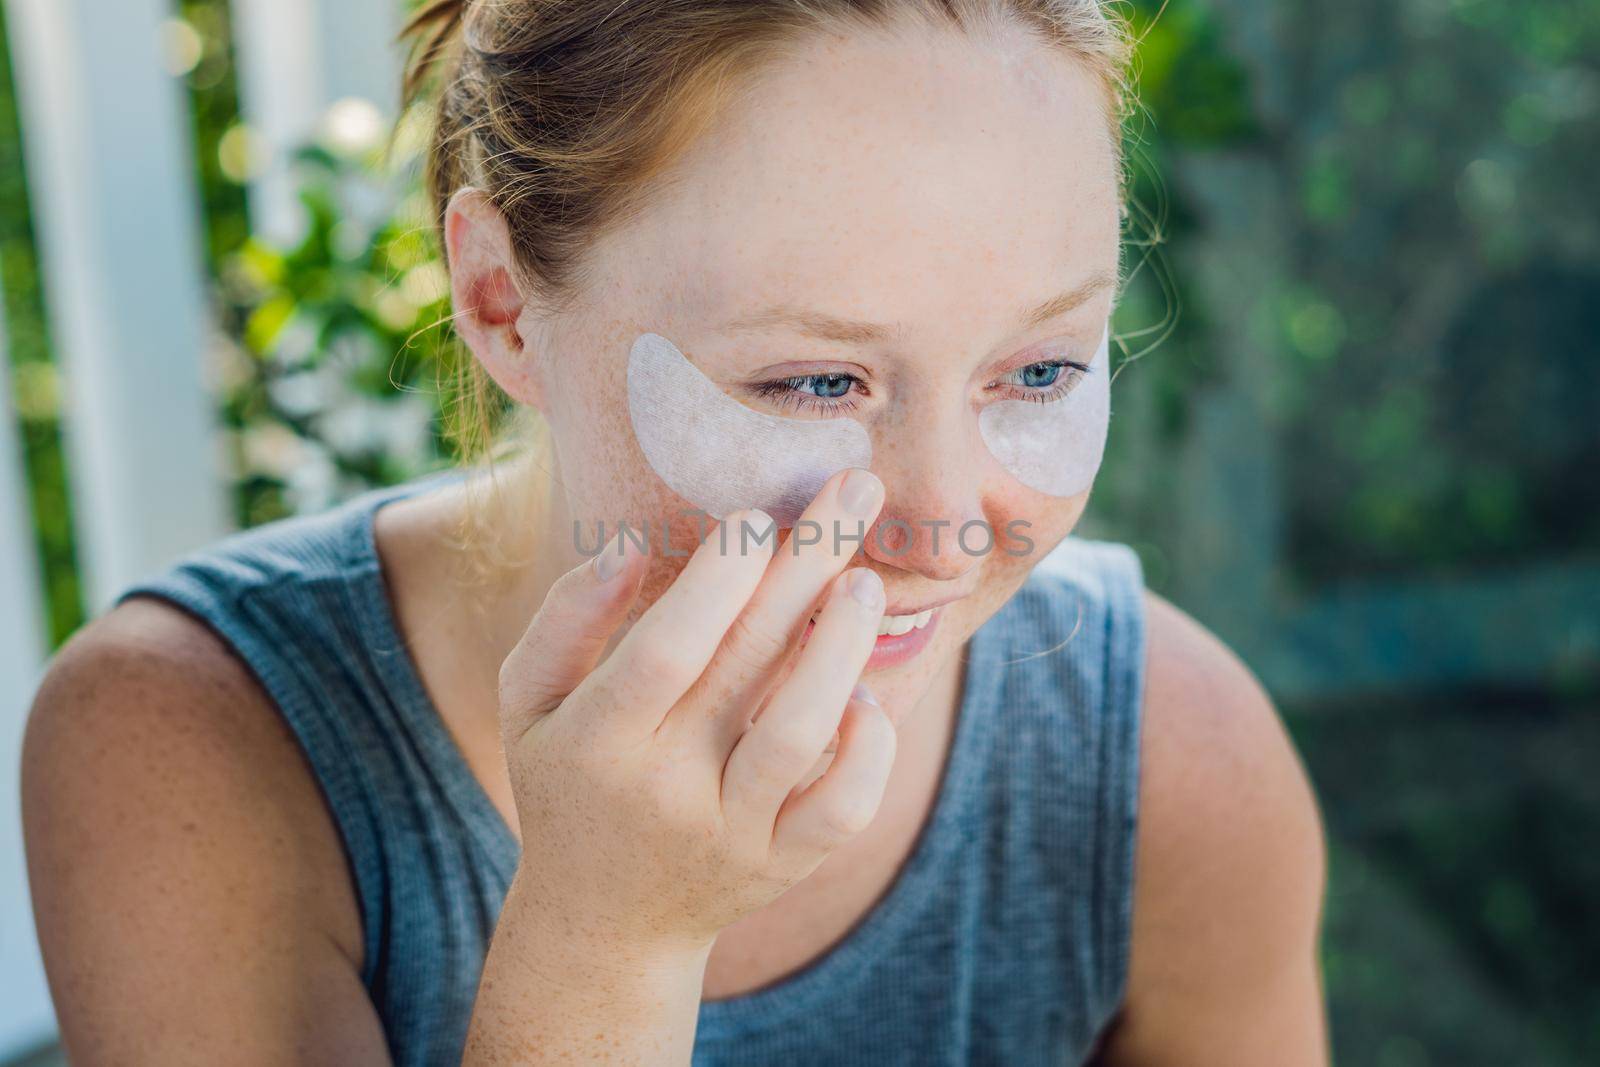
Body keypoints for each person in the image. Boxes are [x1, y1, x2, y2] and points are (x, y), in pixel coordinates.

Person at [21, 1, 1329, 1063]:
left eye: (1038, 372)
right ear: (499, 302)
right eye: (816, 384)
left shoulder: (1171, 763)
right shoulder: (186, 747)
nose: (939, 529)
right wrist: (607, 943)